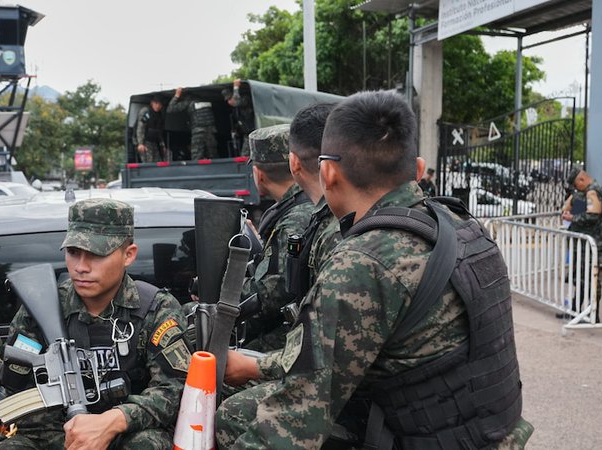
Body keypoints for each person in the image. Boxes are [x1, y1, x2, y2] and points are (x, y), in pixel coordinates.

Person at [216, 91, 533, 448]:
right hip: (492, 433)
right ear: (416, 169)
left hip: (437, 438)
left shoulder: (363, 262)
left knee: (235, 418)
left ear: (328, 171)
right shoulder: (462, 225)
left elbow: (292, 424)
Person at [0, 198, 191, 450]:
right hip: (55, 435)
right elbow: (18, 388)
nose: (81, 267)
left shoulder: (155, 308)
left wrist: (115, 420)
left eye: (96, 254)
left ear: (128, 255)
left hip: (125, 433)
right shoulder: (41, 307)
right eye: (73, 253)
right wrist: (73, 437)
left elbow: (174, 389)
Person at [238, 124, 317, 351]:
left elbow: (271, 293)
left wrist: (220, 297)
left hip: (290, 340)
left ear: (259, 174)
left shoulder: (293, 219)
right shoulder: (302, 207)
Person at [560, 165, 602, 322]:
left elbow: (592, 216)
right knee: (581, 278)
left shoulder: (593, 191)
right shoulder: (586, 193)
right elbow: (577, 210)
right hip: (586, 243)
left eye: (576, 185)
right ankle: (576, 310)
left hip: (593, 242)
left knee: (591, 279)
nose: (576, 188)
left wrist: (571, 218)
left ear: (581, 179)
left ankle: (594, 314)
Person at [167, 87, 217, 160]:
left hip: (198, 132)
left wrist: (177, 95)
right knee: (213, 156)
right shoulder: (206, 100)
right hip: (211, 132)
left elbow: (170, 109)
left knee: (197, 157)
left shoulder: (189, 101)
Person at [223, 79, 255, 157]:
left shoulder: (244, 99)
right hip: (247, 133)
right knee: (244, 156)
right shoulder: (236, 109)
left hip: (253, 132)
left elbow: (237, 102)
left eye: (230, 98)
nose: (229, 102)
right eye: (227, 100)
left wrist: (236, 88)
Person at [134, 96, 166, 163]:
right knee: (149, 163)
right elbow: (140, 127)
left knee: (159, 162)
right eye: (156, 103)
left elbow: (159, 131)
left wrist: (162, 145)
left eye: (160, 104)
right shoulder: (146, 111)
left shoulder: (159, 114)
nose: (157, 106)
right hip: (144, 141)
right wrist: (140, 143)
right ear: (152, 103)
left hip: (154, 142)